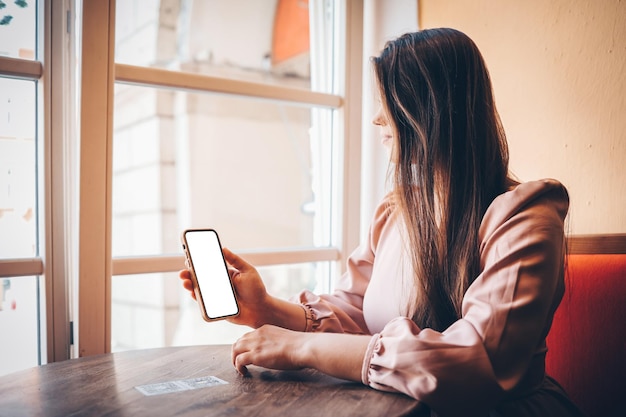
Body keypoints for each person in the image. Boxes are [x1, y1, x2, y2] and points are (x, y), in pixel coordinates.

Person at [179, 28, 585, 417]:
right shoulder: (396, 213)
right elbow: (353, 314)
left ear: (430, 108)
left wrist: (302, 348)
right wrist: (264, 307)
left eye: (388, 101)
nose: (377, 119)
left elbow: (476, 361)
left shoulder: (526, 218)